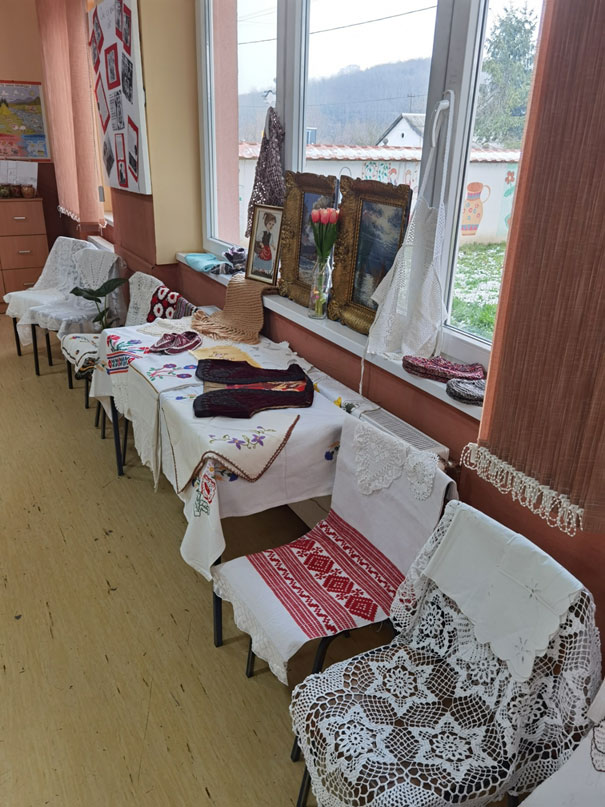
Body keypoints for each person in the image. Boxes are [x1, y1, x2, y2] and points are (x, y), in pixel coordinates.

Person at [252, 212, 277, 277]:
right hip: (263, 249)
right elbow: (258, 239)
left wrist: (273, 246)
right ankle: (259, 269)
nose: (271, 226)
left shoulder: (271, 235)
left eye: (273, 224)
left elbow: (271, 242)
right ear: (266, 223)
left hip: (267, 249)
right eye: (270, 224)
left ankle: (263, 270)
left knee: (267, 259)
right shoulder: (262, 233)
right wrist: (261, 243)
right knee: (261, 258)